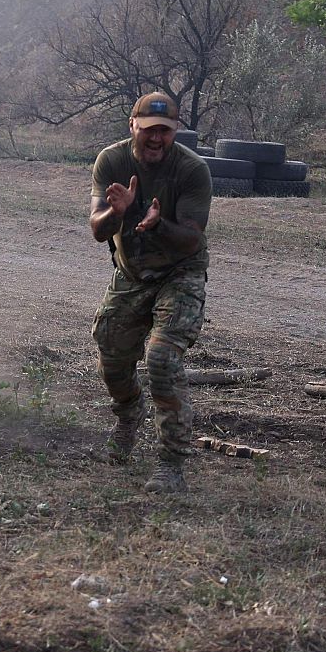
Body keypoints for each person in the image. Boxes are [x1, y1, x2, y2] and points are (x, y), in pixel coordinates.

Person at [88, 91, 212, 494]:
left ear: (175, 132)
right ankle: (128, 417)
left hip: (179, 273)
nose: (156, 139)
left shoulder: (192, 170)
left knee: (162, 359)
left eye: (165, 132)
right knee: (112, 355)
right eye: (148, 131)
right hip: (131, 272)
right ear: (132, 127)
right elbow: (97, 229)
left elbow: (191, 242)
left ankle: (171, 464)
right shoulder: (112, 161)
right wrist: (117, 213)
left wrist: (157, 225)